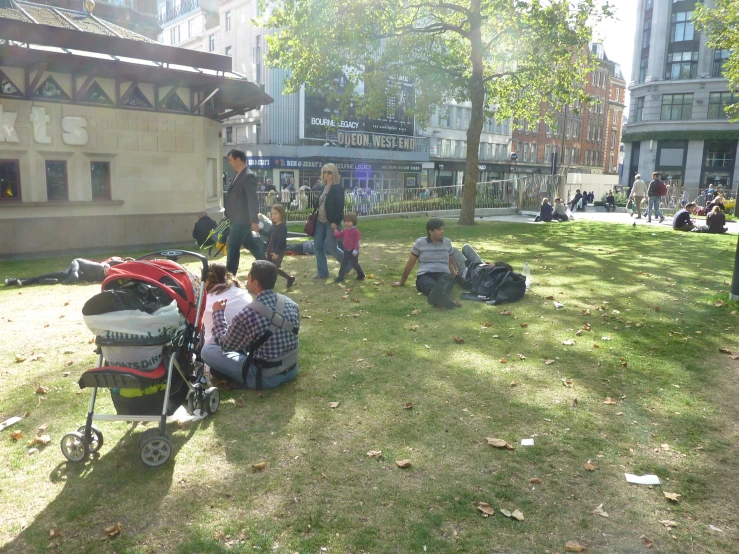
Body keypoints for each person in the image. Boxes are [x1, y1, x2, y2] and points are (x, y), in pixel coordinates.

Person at [202, 260, 300, 390]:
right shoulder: (292, 303)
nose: (246, 279)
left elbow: (225, 344)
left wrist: (218, 313)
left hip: (264, 378)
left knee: (207, 351)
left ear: (255, 283)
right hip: (291, 369)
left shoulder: (249, 313)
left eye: (248, 276)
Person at [391, 218, 460, 309]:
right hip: (426, 274)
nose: (442, 231)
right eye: (439, 229)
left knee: (447, 282)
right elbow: (411, 263)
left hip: (443, 273)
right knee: (428, 286)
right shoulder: (420, 243)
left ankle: (441, 299)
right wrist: (402, 281)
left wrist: (455, 276)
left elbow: (451, 261)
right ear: (431, 232)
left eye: (443, 228)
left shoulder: (447, 242)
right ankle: (442, 300)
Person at [224, 149, 266, 276]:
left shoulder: (248, 176)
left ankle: (229, 277)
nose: (230, 163)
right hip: (236, 218)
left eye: (231, 160)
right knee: (251, 244)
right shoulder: (238, 174)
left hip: (242, 220)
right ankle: (267, 266)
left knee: (232, 246)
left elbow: (252, 199)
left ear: (238, 159)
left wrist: (254, 220)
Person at [200, 262, 252, 353]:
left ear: (208, 279)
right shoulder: (245, 295)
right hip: (244, 349)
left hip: (216, 351)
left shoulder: (207, 301)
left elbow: (221, 340)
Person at [5, 257, 130, 287]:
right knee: (65, 275)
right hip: (78, 264)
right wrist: (107, 267)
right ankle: (18, 281)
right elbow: (109, 262)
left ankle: (19, 281)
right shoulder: (117, 262)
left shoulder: (115, 278)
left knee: (58, 277)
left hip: (82, 275)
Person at [312, 163, 345, 279]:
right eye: (324, 172)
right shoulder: (322, 188)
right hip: (319, 222)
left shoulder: (338, 188)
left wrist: (335, 222)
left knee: (332, 247)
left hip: (331, 222)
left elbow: (340, 207)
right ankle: (322, 272)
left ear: (334, 173)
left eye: (329, 172)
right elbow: (318, 205)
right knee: (318, 247)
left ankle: (348, 264)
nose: (326, 174)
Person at [266, 204, 296, 288]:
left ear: (281, 214)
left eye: (275, 213)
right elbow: (268, 235)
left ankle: (270, 285)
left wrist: (277, 252)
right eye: (272, 214)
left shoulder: (282, 227)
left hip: (277, 251)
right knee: (271, 268)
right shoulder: (274, 226)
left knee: (274, 269)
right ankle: (289, 278)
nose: (273, 216)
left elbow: (281, 241)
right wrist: (259, 229)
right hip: (270, 250)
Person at [332, 212, 365, 282]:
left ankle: (361, 274)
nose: (347, 223)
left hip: (353, 251)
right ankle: (340, 277)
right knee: (343, 264)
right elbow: (340, 236)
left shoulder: (356, 231)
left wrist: (356, 250)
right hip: (347, 251)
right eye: (345, 221)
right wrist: (335, 230)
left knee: (355, 264)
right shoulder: (345, 230)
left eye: (349, 222)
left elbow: (357, 242)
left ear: (353, 222)